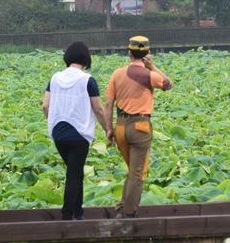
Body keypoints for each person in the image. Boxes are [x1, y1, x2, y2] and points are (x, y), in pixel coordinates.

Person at [105, 35, 172, 218]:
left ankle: (122, 207)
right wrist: (153, 66)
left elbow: (109, 104)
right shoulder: (149, 75)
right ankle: (128, 213)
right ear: (147, 53)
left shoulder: (117, 74)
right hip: (140, 126)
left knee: (132, 171)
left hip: (120, 127)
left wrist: (108, 129)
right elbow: (168, 84)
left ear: (129, 53)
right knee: (137, 173)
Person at [42, 41, 109, 221]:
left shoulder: (54, 79)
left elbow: (45, 106)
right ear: (86, 59)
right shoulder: (87, 80)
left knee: (75, 172)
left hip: (58, 133)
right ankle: (67, 215)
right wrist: (108, 129)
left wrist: (53, 120)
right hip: (79, 134)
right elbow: (98, 109)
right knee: (74, 173)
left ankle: (78, 213)